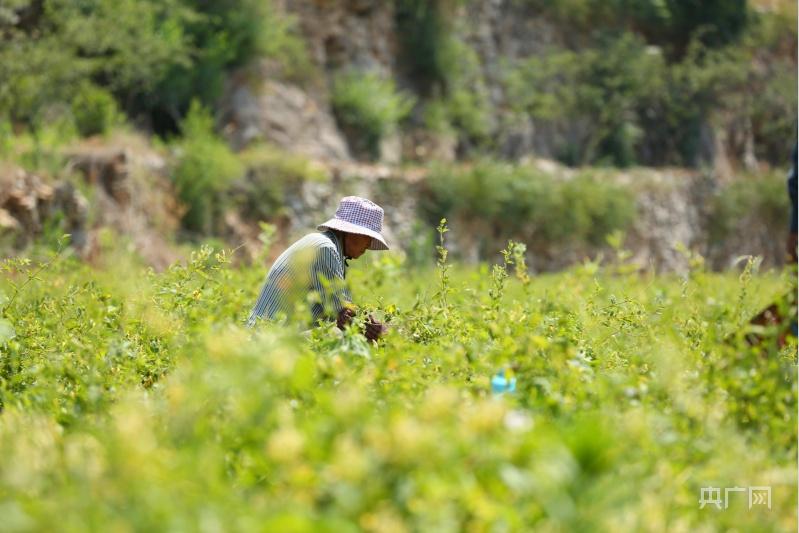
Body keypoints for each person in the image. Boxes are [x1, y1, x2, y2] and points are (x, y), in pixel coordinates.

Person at [247, 196, 388, 340]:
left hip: (270, 335)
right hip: (267, 339)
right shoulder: (325, 249)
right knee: (340, 336)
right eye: (367, 236)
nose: (369, 244)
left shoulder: (323, 244)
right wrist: (377, 329)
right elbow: (343, 314)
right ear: (351, 232)